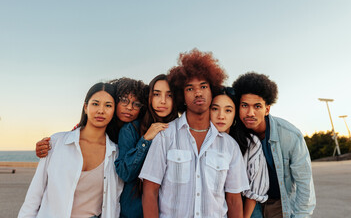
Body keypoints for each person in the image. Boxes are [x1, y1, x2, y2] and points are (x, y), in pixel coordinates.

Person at [139, 49, 249, 218]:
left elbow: (234, 200)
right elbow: (150, 191)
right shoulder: (165, 137)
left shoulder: (229, 146)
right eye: (190, 88)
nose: (198, 93)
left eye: (203, 86)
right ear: (181, 96)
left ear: (212, 92)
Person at [18, 82, 124, 218]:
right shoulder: (56, 142)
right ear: (86, 107)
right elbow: (34, 194)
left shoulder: (116, 153)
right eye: (95, 104)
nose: (101, 110)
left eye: (108, 105)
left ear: (114, 110)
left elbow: (115, 202)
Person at [232, 72, 316, 218]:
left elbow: (304, 183)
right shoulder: (233, 135)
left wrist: (300, 216)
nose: (250, 113)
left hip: (279, 203)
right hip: (249, 205)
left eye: (257, 106)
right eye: (244, 105)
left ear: (267, 109)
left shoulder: (290, 135)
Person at [114, 74, 178, 218]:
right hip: (135, 212)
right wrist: (145, 140)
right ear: (149, 97)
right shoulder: (131, 129)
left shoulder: (182, 132)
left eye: (169, 95)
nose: (162, 101)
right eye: (156, 94)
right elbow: (125, 173)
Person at [210, 87, 269, 218]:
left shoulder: (250, 142)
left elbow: (256, 188)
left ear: (235, 113)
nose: (221, 116)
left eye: (228, 110)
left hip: (247, 209)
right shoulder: (202, 141)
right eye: (215, 109)